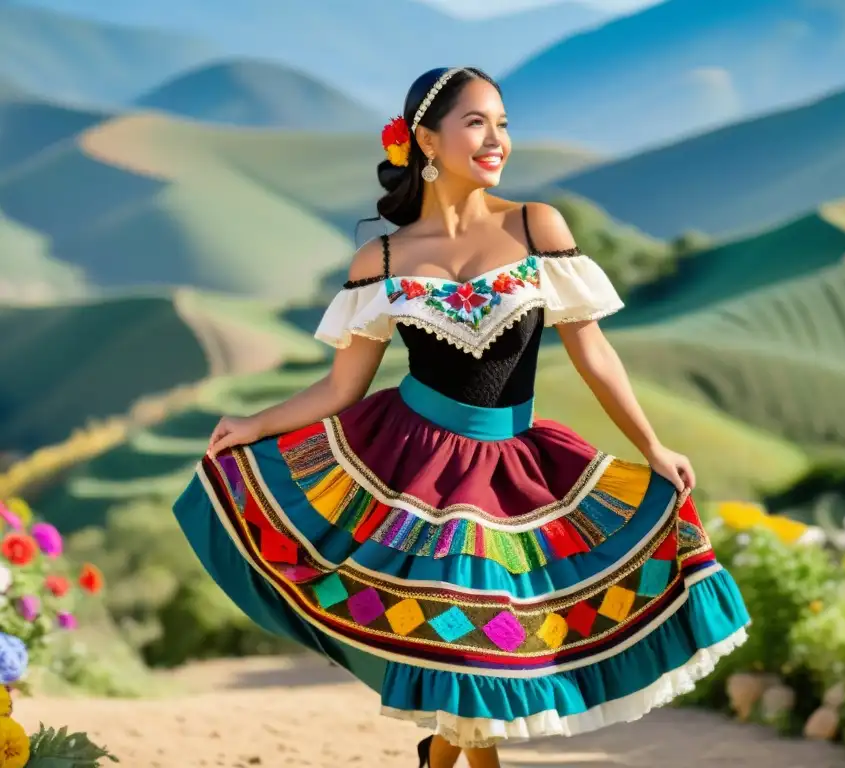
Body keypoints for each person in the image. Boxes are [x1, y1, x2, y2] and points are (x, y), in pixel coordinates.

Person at [173, 66, 750, 768]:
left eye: (502, 123)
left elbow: (594, 355)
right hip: (417, 472)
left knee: (483, 644)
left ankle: (437, 758)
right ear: (425, 139)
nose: (496, 139)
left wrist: (652, 445)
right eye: (476, 122)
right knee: (468, 639)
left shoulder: (538, 226)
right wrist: (256, 425)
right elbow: (340, 387)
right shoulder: (381, 258)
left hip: (515, 465)